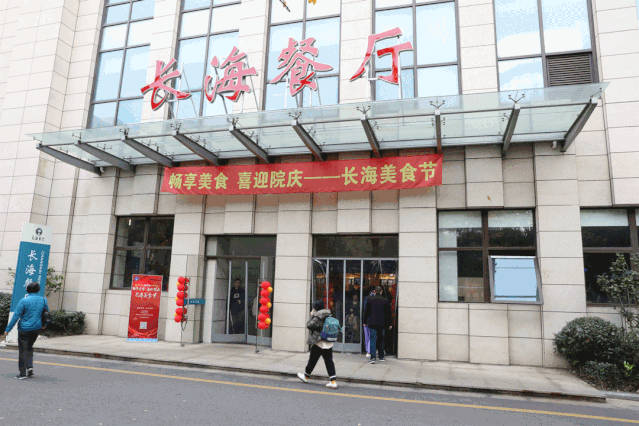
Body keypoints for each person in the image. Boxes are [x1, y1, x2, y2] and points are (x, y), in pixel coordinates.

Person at [3, 282, 49, 379]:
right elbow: (46, 313)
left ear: (27, 290)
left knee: (23, 350)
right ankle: (30, 367)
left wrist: (8, 329)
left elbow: (16, 316)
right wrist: (44, 325)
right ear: (38, 290)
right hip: (36, 328)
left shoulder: (24, 301)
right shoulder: (43, 300)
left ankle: (22, 373)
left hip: (24, 329)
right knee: (29, 347)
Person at [297, 299, 338, 389]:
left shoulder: (318, 316)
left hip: (319, 342)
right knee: (329, 362)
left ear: (316, 308)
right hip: (328, 342)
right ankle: (333, 382)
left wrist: (311, 315)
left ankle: (306, 377)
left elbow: (309, 325)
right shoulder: (328, 314)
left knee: (312, 360)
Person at [363, 286, 392, 364]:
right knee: (381, 340)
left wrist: (365, 321)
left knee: (373, 340)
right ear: (381, 291)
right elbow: (388, 313)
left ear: (374, 291)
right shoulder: (385, 300)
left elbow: (366, 311)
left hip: (372, 323)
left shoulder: (370, 299)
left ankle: (373, 357)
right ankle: (381, 356)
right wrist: (390, 323)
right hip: (382, 323)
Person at [362, 288, 374, 358]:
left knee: (367, 336)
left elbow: (365, 311)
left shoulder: (366, 299)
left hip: (367, 321)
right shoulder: (371, 300)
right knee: (370, 336)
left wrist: (364, 321)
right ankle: (369, 351)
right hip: (370, 321)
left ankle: (368, 350)